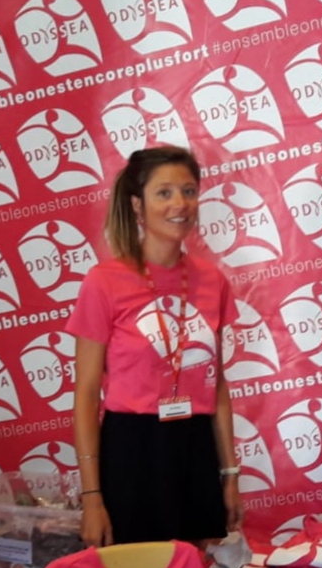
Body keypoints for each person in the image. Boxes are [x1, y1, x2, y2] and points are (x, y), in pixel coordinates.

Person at [68, 145, 241, 547]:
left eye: (189, 191)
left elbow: (217, 385)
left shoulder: (212, 280)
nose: (180, 203)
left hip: (195, 446)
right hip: (133, 448)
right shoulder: (104, 282)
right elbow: (86, 396)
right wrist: (92, 496)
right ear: (137, 205)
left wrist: (230, 475)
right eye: (164, 193)